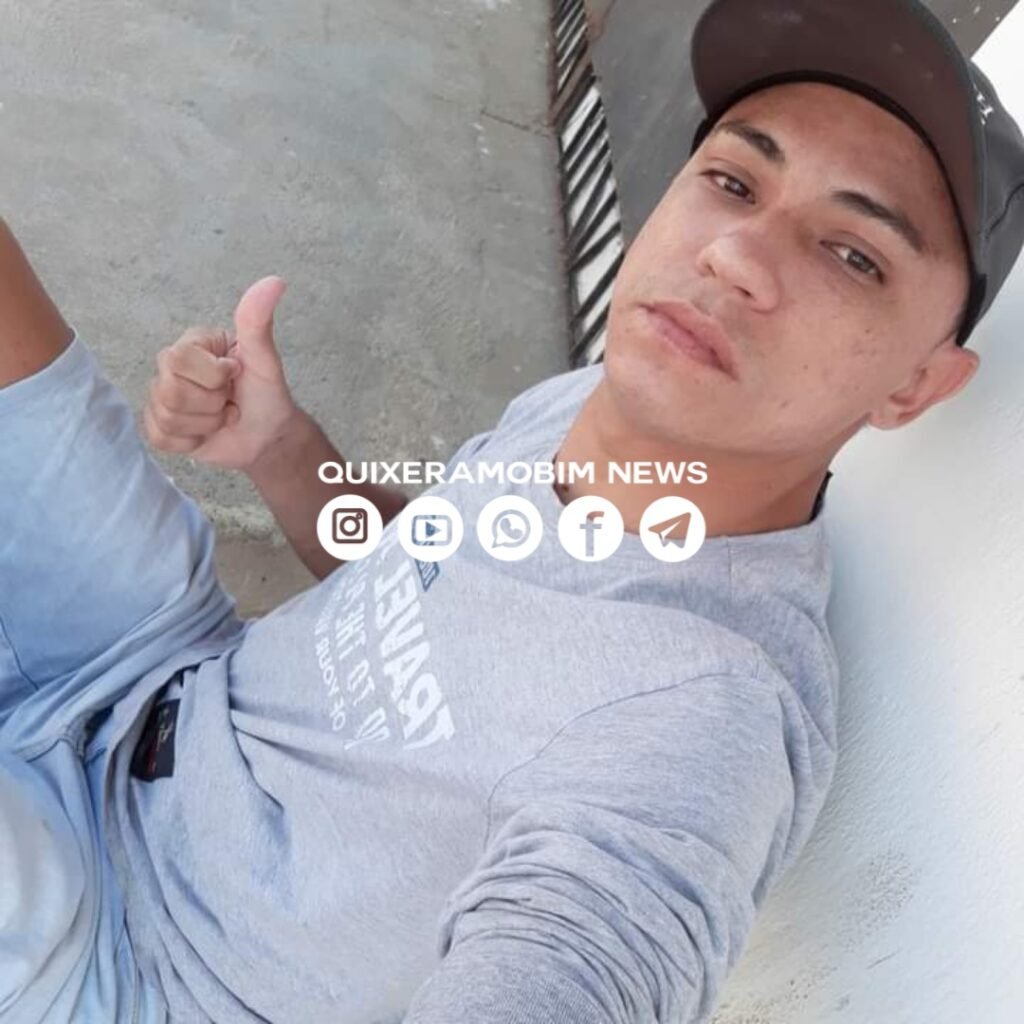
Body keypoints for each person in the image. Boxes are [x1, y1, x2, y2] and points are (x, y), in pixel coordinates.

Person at [1, 0, 1022, 1021]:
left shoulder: (701, 719)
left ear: (917, 386)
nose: (736, 257)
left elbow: (588, 952)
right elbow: (432, 568)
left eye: (854, 255)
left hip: (133, 970)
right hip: (154, 673)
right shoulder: (598, 398)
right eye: (733, 181)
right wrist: (280, 448)